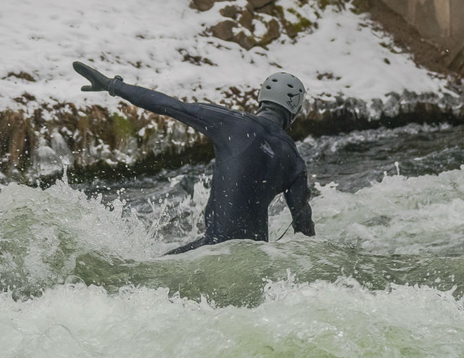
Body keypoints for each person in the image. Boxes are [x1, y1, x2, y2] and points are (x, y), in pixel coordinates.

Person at [73, 61, 315, 255]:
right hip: (257, 256)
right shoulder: (295, 162)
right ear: (295, 109)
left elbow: (169, 105)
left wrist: (113, 85)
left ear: (261, 98)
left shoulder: (232, 123)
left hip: (214, 249)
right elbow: (304, 231)